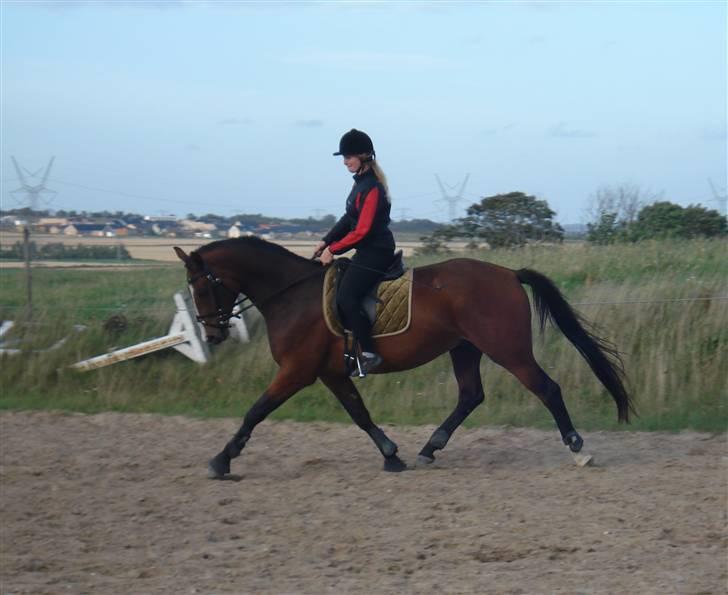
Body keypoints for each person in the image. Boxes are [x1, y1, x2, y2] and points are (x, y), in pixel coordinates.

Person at [315, 129, 396, 376]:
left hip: (377, 252)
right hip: (366, 252)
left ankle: (370, 353)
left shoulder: (372, 188)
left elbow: (361, 231)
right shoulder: (360, 185)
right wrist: (325, 240)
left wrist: (334, 250)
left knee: (346, 297)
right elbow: (348, 219)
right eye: (344, 157)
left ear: (364, 156)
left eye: (349, 156)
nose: (345, 161)